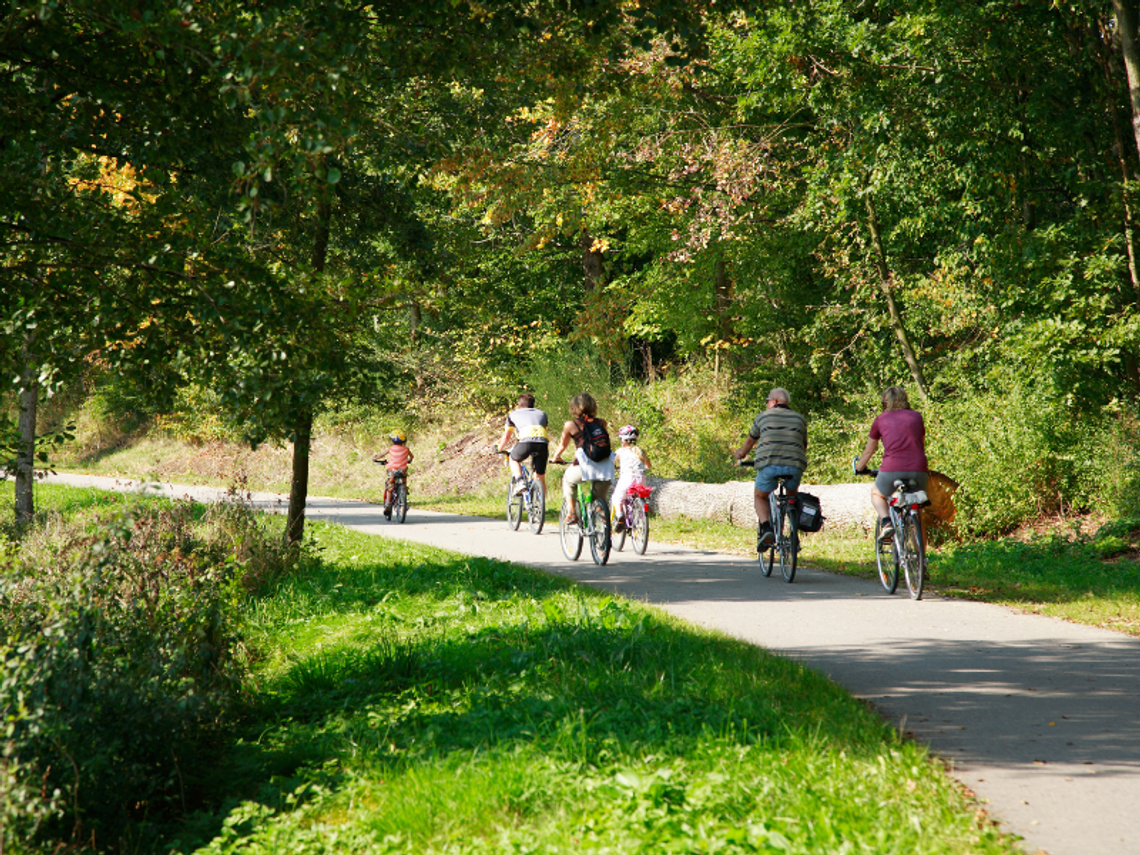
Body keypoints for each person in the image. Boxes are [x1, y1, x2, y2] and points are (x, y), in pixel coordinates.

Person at [732, 387, 808, 551]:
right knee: (791, 498)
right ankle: (794, 535)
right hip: (795, 465)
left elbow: (750, 442)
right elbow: (803, 445)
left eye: (767, 401)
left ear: (774, 402)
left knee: (760, 496)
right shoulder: (799, 419)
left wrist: (741, 455)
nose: (767, 404)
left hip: (768, 464)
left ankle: (766, 528)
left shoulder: (763, 417)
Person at [854, 385, 928, 542]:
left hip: (891, 469)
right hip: (919, 469)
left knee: (877, 493)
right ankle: (920, 560)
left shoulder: (881, 419)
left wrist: (860, 467)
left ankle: (887, 523)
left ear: (885, 403)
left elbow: (869, 451)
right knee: (917, 509)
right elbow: (921, 444)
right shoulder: (917, 416)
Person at [551, 393, 615, 525]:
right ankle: (604, 524)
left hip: (583, 468)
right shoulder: (602, 422)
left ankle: (572, 513)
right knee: (600, 499)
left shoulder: (570, 425)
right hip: (605, 468)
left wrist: (555, 457)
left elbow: (563, 445)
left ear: (574, 408)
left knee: (568, 480)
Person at [495, 393, 549, 497]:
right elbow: (545, 429)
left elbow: (507, 436)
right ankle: (541, 507)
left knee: (513, 458)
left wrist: (499, 448)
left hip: (526, 441)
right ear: (533, 404)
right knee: (540, 476)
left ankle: (520, 482)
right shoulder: (542, 414)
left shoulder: (513, 414)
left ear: (519, 406)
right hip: (543, 443)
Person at [612, 424, 651, 532]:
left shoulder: (621, 451)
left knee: (617, 498)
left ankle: (620, 516)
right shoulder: (640, 451)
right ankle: (635, 518)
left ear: (624, 440)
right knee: (634, 498)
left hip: (627, 478)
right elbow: (648, 466)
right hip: (641, 479)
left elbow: (612, 460)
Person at [374, 429, 414, 520]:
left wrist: (375, 458)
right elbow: (411, 457)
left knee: (390, 486)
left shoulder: (391, 449)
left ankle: (388, 504)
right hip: (402, 470)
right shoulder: (406, 449)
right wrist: (409, 460)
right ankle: (403, 492)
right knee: (403, 481)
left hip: (392, 470)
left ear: (392, 440)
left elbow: (381, 455)